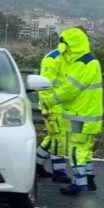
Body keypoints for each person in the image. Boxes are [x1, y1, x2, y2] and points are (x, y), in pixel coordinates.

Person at [43, 27, 103, 196]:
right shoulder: (92, 61)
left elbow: (69, 90)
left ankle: (79, 184)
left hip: (79, 115)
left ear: (72, 44)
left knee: (75, 149)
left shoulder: (80, 64)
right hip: (92, 115)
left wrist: (49, 100)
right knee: (86, 149)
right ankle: (89, 179)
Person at [35, 41, 70, 183]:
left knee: (53, 137)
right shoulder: (54, 58)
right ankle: (59, 172)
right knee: (58, 138)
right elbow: (44, 86)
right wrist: (46, 107)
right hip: (52, 107)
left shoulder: (70, 58)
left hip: (64, 106)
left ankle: (37, 165)